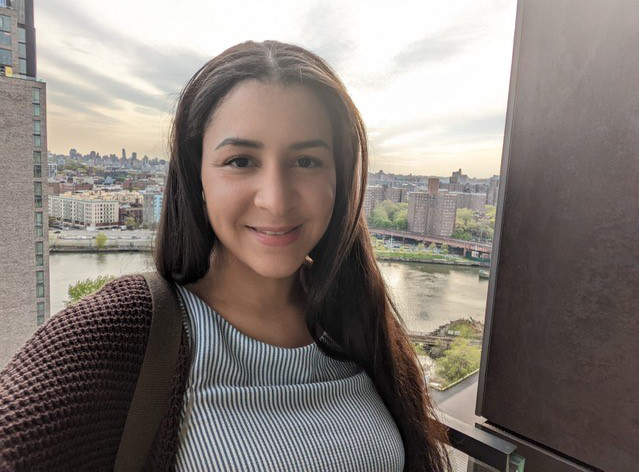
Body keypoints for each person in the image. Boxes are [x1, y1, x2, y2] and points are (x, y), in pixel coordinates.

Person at [0, 40, 450, 471]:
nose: (276, 199)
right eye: (240, 161)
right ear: (196, 176)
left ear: (342, 176)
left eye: (307, 161)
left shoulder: (356, 315)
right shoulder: (121, 332)